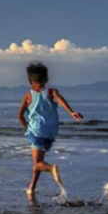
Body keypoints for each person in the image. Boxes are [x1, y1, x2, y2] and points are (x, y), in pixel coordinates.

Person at [16, 62, 84, 200]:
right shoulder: (52, 92)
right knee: (39, 162)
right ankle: (32, 188)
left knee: (37, 164)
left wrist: (27, 128)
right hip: (51, 132)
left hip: (36, 131)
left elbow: (19, 115)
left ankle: (51, 168)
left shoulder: (28, 96)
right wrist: (72, 112)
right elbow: (61, 101)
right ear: (46, 80)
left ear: (30, 81)